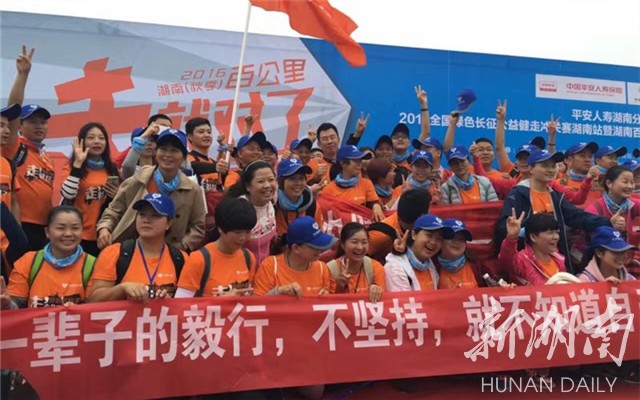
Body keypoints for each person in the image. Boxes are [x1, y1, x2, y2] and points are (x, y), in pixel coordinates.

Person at [496, 149, 621, 273]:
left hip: (555, 259)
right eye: (544, 166)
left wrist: (609, 221)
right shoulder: (518, 194)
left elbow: (576, 216)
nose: (550, 170)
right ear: (531, 169)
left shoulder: (555, 196)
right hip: (527, 262)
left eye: (553, 166)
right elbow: (504, 228)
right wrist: (522, 231)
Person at [97, 129, 206, 251]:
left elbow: (198, 226)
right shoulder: (138, 180)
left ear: (184, 157)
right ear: (155, 152)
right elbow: (113, 211)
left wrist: (180, 248)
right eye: (163, 149)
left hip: (171, 253)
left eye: (174, 151)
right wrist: (104, 229)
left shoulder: (193, 190)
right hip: (130, 250)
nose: (167, 155)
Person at [88, 193, 187, 303]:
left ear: (168, 223)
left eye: (155, 215)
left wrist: (169, 302)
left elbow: (188, 303)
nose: (146, 220)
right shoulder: (114, 253)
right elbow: (92, 300)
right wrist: (122, 288)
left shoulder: (180, 258)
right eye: (141, 214)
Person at [3, 206, 95, 309]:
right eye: (61, 228)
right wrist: (6, 304)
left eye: (75, 228)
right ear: (47, 232)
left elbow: (96, 307)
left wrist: (78, 310)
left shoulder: (94, 265)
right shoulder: (28, 262)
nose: (68, 234)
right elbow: (16, 304)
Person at [175, 197, 257, 298]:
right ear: (220, 229)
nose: (243, 238)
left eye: (248, 232)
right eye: (237, 232)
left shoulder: (248, 258)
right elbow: (181, 303)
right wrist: (220, 302)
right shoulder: (199, 259)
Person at [59, 123, 120, 256]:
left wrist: (117, 195)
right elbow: (68, 193)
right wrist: (78, 164)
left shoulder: (112, 169)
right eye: (91, 138)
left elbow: (120, 204)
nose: (97, 141)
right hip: (77, 234)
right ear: (82, 142)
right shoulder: (72, 167)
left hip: (103, 235)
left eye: (101, 138)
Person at [585, 166, 640, 273]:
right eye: (625, 182)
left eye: (632, 182)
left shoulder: (634, 205)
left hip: (628, 263)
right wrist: (610, 224)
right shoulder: (595, 209)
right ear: (609, 183)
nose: (630, 186)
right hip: (602, 265)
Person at [226, 160, 278, 265]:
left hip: (264, 270)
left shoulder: (271, 203)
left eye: (271, 180)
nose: (267, 185)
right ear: (247, 186)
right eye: (261, 181)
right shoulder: (237, 210)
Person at [384, 214, 454, 292]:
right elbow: (404, 299)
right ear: (414, 234)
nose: (433, 242)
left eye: (439, 238)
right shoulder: (395, 267)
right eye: (429, 235)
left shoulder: (429, 263)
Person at [499, 211, 566, 285]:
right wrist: (511, 238)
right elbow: (506, 260)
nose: (556, 237)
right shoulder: (522, 260)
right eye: (550, 233)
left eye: (557, 232)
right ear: (533, 237)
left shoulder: (560, 259)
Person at [321, 145, 385, 221]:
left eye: (360, 160)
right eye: (356, 161)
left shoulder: (366, 184)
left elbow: (373, 204)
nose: (360, 164)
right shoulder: (328, 190)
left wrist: (376, 206)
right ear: (343, 164)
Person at [367, 189, 432, 263]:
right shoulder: (380, 235)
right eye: (429, 209)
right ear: (421, 216)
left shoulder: (422, 227)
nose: (430, 212)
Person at [328, 222, 385, 302]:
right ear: (342, 244)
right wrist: (339, 288)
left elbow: (384, 301)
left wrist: (377, 290)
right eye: (354, 242)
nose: (360, 247)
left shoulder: (375, 267)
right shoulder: (329, 269)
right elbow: (327, 304)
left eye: (364, 242)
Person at [435, 219, 492, 289]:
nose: (457, 242)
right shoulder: (431, 265)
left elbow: (495, 285)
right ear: (441, 240)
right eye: (453, 237)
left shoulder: (477, 265)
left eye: (461, 239)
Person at [274, 158, 323, 239]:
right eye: (292, 178)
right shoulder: (272, 205)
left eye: (301, 178)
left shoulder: (311, 206)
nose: (298, 183)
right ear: (281, 182)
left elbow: (318, 237)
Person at [185, 117, 229, 193]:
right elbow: (194, 166)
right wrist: (215, 167)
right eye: (201, 132)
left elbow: (223, 183)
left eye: (209, 132)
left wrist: (223, 148)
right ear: (190, 137)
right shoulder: (187, 158)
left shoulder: (213, 162)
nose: (206, 135)